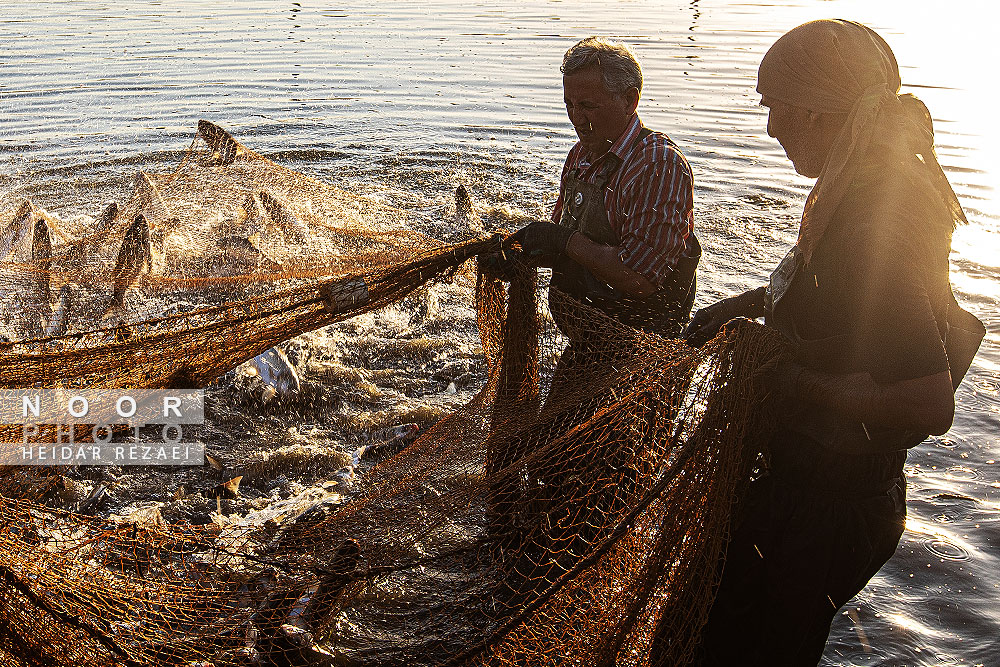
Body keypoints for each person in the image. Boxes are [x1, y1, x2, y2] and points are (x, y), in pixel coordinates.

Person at [675, 19, 984, 665]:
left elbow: (928, 402)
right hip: (819, 491)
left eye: (772, 106)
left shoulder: (875, 216)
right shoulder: (865, 183)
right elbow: (841, 303)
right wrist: (738, 307)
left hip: (825, 509)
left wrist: (784, 378)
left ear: (814, 109)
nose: (769, 127)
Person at [504, 35, 701, 340]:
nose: (575, 118)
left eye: (587, 105)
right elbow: (570, 252)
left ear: (629, 101)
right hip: (590, 339)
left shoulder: (658, 165)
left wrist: (561, 239)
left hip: (642, 349)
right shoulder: (579, 156)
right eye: (568, 104)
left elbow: (639, 278)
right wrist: (522, 252)